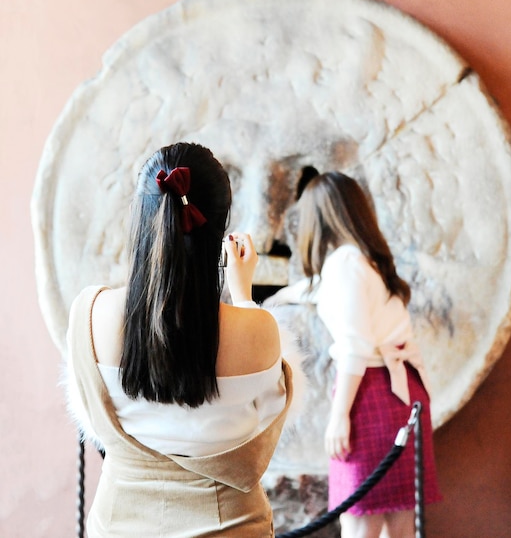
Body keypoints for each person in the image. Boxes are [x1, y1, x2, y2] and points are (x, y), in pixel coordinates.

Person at [64, 142, 294, 537]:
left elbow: (93, 418)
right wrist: (243, 295)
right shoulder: (257, 332)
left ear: (141, 218)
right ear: (220, 226)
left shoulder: (90, 314)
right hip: (230, 526)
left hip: (121, 525)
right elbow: (267, 420)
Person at [292, 171, 442, 538]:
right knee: (399, 525)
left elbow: (355, 348)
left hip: (372, 396)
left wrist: (339, 416)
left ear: (319, 217)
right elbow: (318, 292)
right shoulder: (365, 261)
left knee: (360, 523)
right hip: (403, 393)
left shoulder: (345, 264)